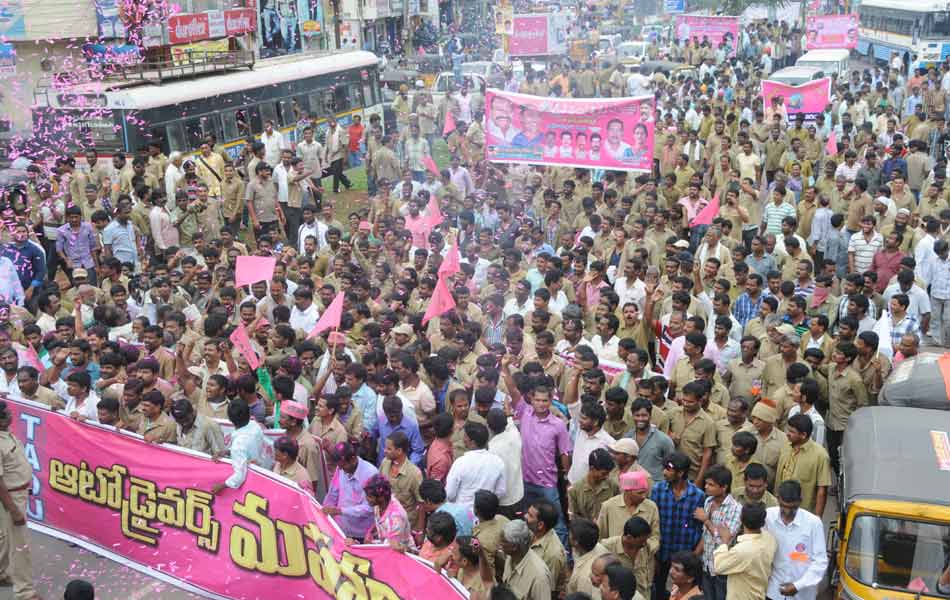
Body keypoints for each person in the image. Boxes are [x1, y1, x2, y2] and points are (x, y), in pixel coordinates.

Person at [0, 400, 39, 599]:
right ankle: (25, 592)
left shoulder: (6, 434)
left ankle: (1, 574)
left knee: (4, 538)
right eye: (5, 413)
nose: (10, 415)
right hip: (10, 497)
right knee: (19, 545)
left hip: (15, 494)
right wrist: (14, 510)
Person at [765, 481, 828, 600]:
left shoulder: (813, 523)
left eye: (793, 507)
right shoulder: (768, 517)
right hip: (773, 591)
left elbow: (820, 561)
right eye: (784, 507)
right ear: (778, 499)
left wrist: (798, 585)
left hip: (802, 594)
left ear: (800, 501)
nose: (788, 512)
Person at [712, 502, 777, 600]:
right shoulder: (770, 539)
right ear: (763, 522)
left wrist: (725, 540)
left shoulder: (742, 550)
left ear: (741, 519)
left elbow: (718, 566)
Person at [322, 442, 378, 541]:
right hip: (341, 529)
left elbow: (370, 508)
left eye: (343, 466)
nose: (341, 469)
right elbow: (333, 493)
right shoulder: (341, 469)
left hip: (362, 534)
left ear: (353, 459)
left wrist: (340, 511)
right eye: (339, 466)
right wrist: (324, 512)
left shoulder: (371, 474)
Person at [211, 399, 267, 495]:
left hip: (250, 485)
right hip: (260, 469)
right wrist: (227, 452)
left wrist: (221, 486)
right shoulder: (255, 425)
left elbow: (239, 475)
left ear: (230, 419)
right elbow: (247, 449)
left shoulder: (239, 445)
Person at [500, 519, 552, 600]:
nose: (500, 544)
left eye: (503, 541)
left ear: (514, 547)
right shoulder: (510, 556)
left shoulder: (539, 577)